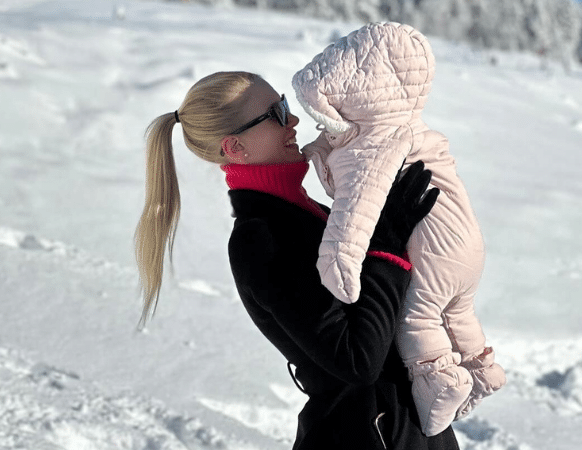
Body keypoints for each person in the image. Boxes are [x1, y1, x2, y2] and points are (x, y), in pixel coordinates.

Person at [134, 70, 460, 450]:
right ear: (236, 147)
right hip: (365, 435)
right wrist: (385, 249)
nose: (293, 121)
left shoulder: (304, 214)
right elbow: (357, 361)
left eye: (285, 105)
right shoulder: (261, 242)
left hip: (396, 428)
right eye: (275, 113)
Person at [291, 23, 506, 436]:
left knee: (419, 316)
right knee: (457, 308)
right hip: (463, 240)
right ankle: (482, 369)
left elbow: (358, 207)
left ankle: (441, 381)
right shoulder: (407, 127)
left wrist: (339, 262)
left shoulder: (376, 143)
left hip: (432, 247)